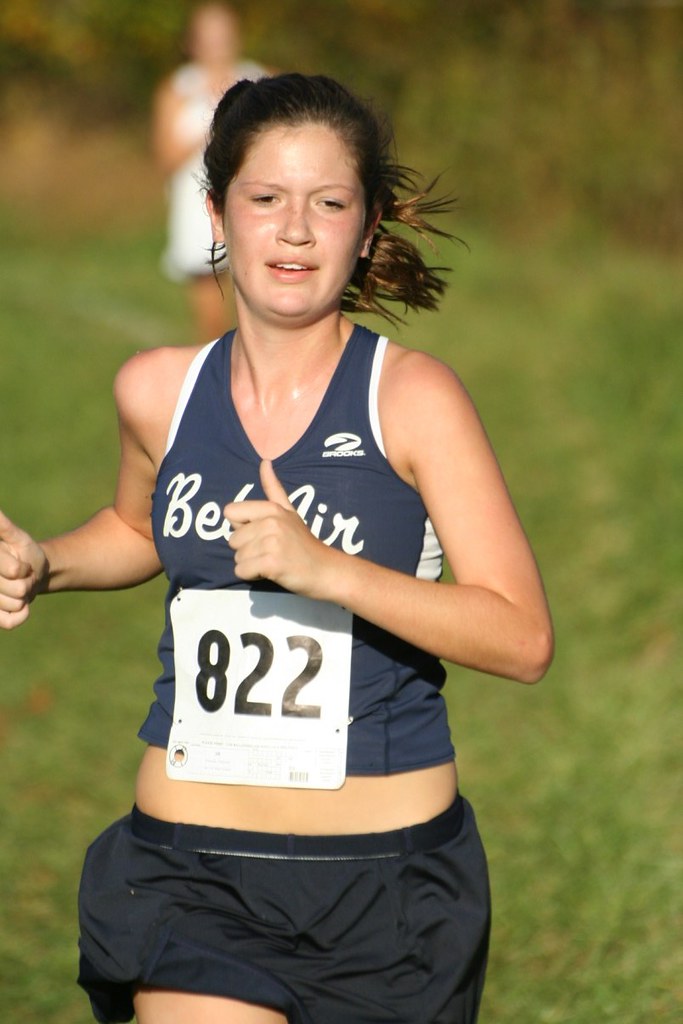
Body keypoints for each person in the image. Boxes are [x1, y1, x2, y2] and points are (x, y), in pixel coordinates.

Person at [0, 73, 553, 1024]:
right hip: (191, 870)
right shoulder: (157, 391)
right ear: (217, 213)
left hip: (384, 887)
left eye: (328, 204)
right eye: (265, 199)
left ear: (365, 229)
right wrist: (45, 563)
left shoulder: (412, 399)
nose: (295, 230)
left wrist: (327, 571)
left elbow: (521, 637)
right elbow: (138, 528)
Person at [152, 2, 268, 341]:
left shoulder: (263, 80)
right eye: (208, 35)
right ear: (191, 42)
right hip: (198, 205)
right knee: (212, 319)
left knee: (261, 306)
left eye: (224, 34)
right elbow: (165, 158)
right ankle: (218, 369)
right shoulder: (177, 89)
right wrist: (216, 117)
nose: (217, 44)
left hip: (255, 197)